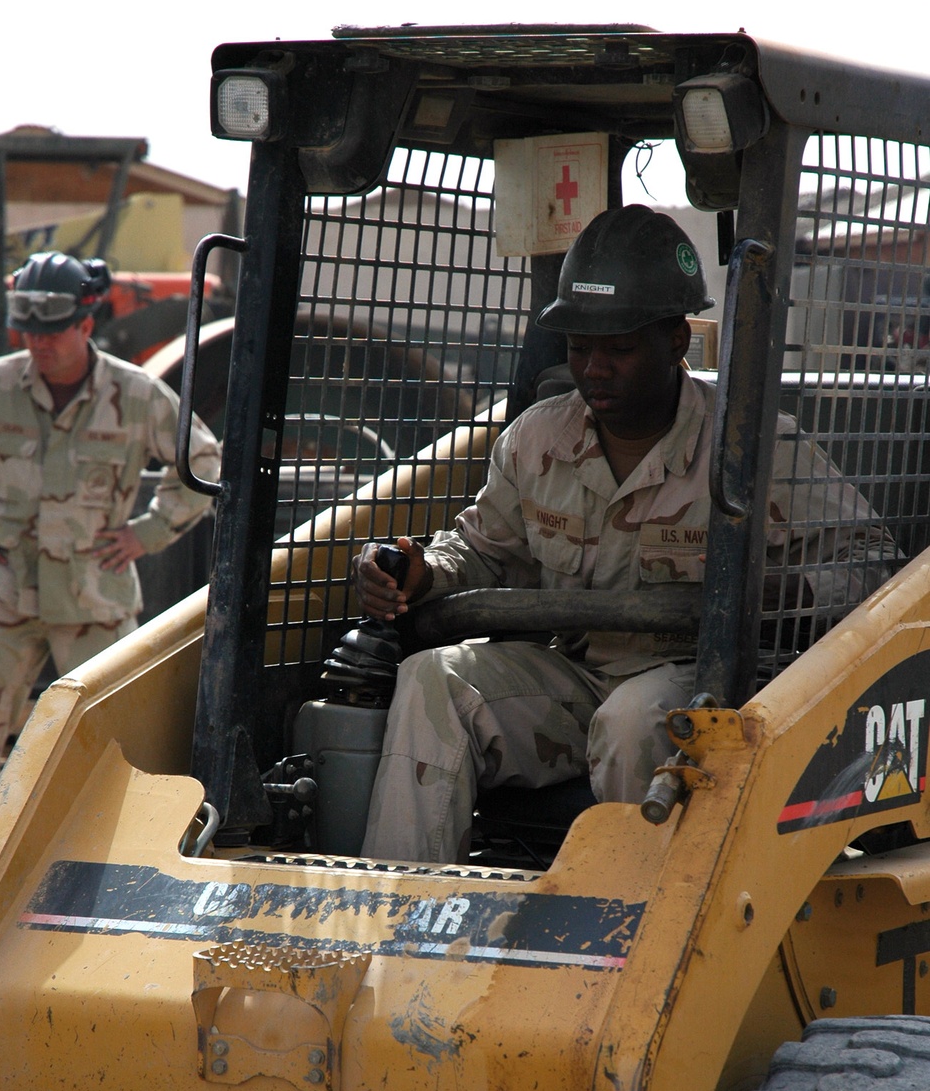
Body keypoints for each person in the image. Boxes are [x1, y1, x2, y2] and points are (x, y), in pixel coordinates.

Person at [354, 205, 888, 864]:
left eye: (619, 349)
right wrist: (421, 571)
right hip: (575, 677)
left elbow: (874, 563)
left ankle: (623, 929)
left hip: (703, 690)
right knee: (434, 677)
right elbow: (482, 549)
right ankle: (405, 914)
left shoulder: (754, 448)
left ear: (675, 342)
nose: (594, 369)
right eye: (580, 347)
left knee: (635, 721)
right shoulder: (536, 440)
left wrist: (789, 590)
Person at [0, 251, 220, 901]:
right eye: (27, 332)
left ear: (86, 324)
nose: (38, 344)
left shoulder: (136, 393)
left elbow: (202, 460)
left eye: (51, 331)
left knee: (107, 735)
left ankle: (100, 867)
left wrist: (146, 533)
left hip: (94, 592)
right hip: (5, 587)